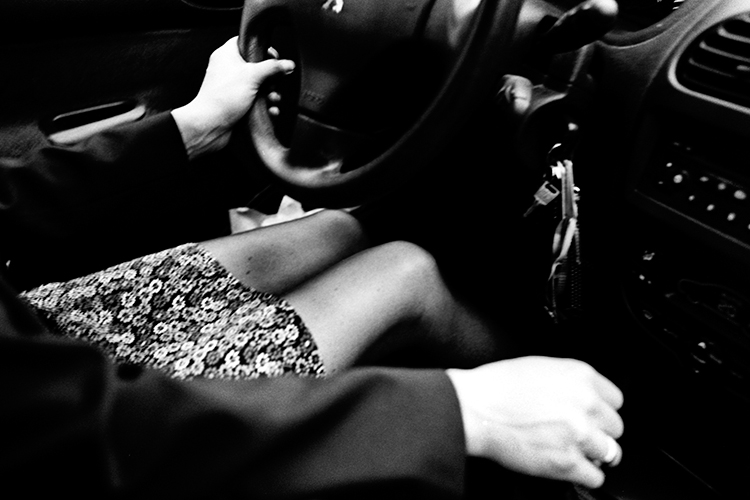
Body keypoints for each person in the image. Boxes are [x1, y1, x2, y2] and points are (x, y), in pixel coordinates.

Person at [0, 37, 624, 497]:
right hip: (72, 426)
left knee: (338, 229)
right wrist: (464, 413)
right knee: (405, 273)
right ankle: (579, 403)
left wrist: (192, 126)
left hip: (36, 340)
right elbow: (84, 449)